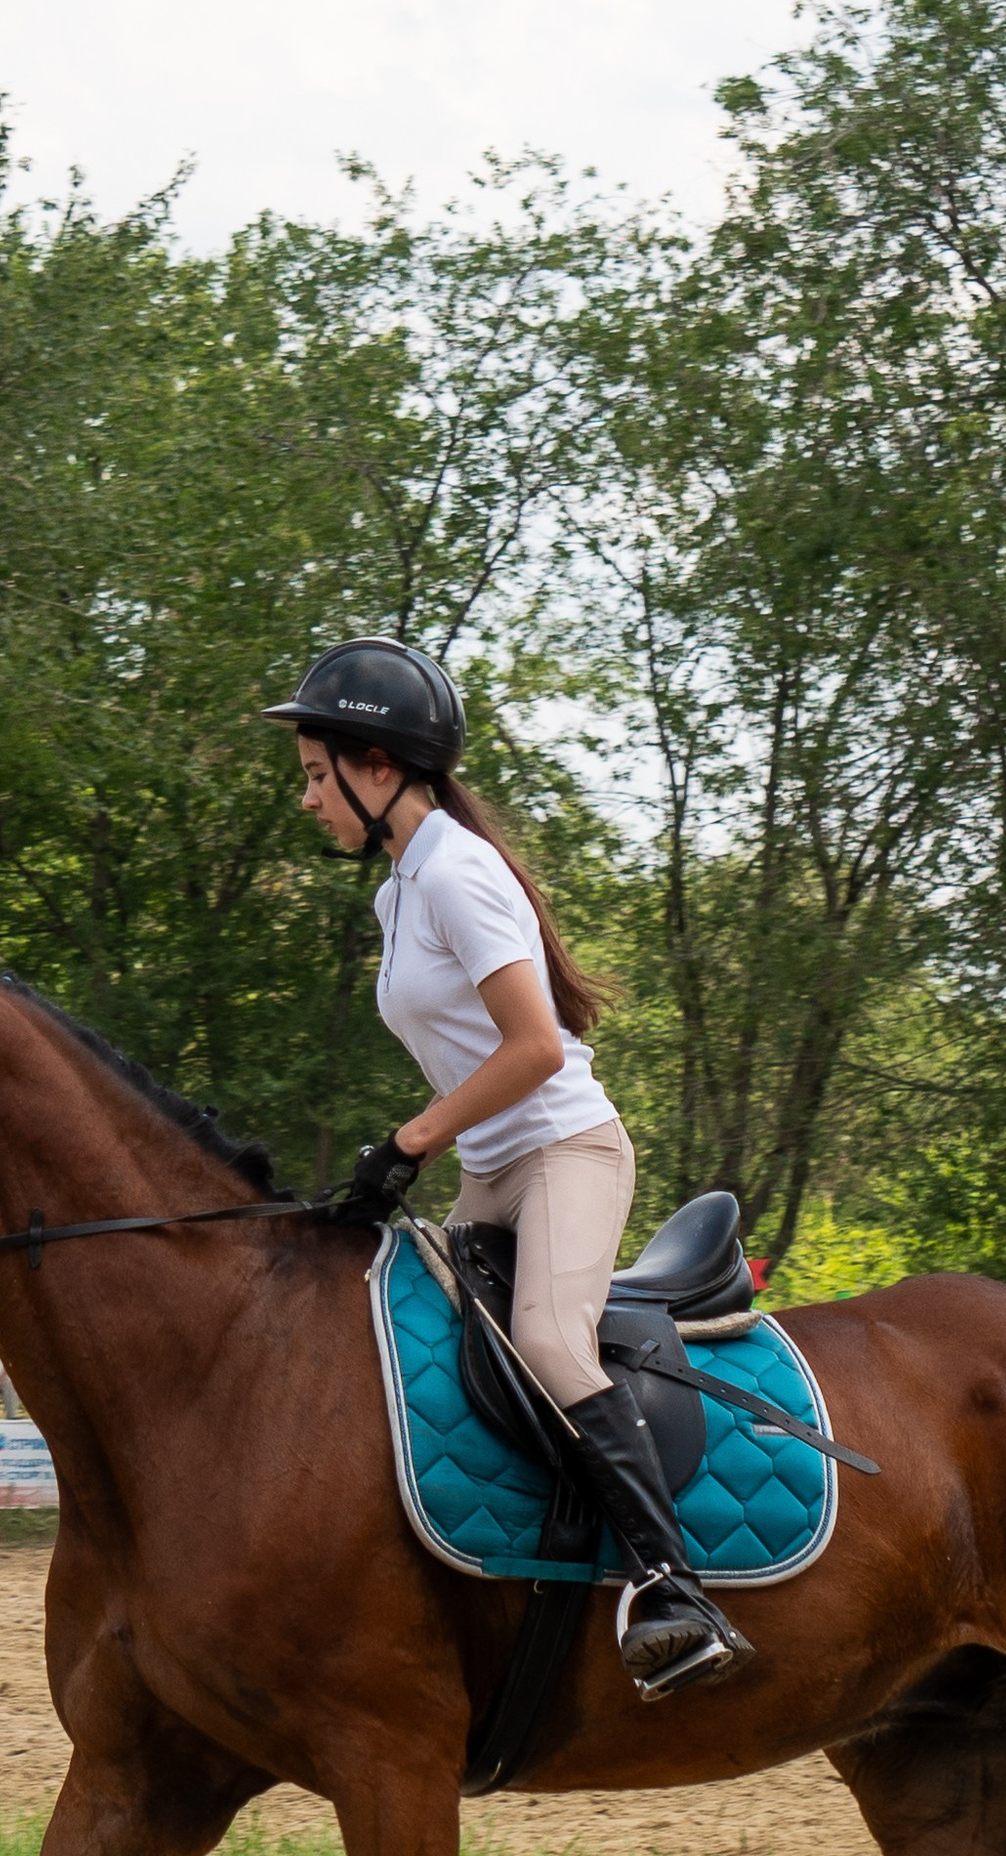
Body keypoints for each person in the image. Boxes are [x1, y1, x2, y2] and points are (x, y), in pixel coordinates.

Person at [268, 634, 749, 1695]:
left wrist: (410, 1139)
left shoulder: (456, 871)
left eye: (315, 775)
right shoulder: (401, 890)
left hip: (565, 1150)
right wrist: (419, 1148)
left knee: (543, 1337)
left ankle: (674, 1587)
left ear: (379, 769)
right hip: (492, 1165)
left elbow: (534, 1049)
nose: (308, 800)